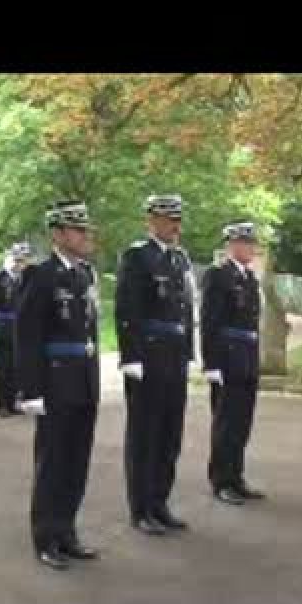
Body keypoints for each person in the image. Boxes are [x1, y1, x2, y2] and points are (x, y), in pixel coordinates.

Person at [15, 201, 101, 570]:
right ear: (58, 234)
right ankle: (46, 537)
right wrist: (31, 390)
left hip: (82, 380)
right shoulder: (41, 275)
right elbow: (27, 335)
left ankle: (67, 531)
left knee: (76, 462)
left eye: (85, 230)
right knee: (52, 462)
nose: (85, 236)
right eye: (78, 230)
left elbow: (91, 332)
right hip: (54, 381)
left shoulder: (85, 275)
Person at [115, 193, 195, 536]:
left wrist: (189, 353)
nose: (175, 226)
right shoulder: (137, 257)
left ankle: (160, 503)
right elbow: (127, 310)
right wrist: (130, 356)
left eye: (177, 219)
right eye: (167, 219)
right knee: (145, 435)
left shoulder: (179, 259)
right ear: (151, 221)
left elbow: (185, 312)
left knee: (169, 435)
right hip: (147, 358)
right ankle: (141, 508)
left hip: (174, 357)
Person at [201, 220, 267, 504]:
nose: (249, 248)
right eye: (244, 242)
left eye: (252, 243)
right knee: (225, 423)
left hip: (247, 357)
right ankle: (221, 480)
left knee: (242, 422)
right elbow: (209, 322)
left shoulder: (250, 279)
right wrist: (212, 363)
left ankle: (236, 477)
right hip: (227, 358)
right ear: (231, 245)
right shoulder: (218, 276)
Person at [0, 242, 31, 417]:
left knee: (15, 367)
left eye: (21, 260)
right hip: (2, 325)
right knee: (3, 367)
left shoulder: (23, 279)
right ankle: (1, 404)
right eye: (16, 259)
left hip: (17, 326)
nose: (18, 263)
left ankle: (12, 402)